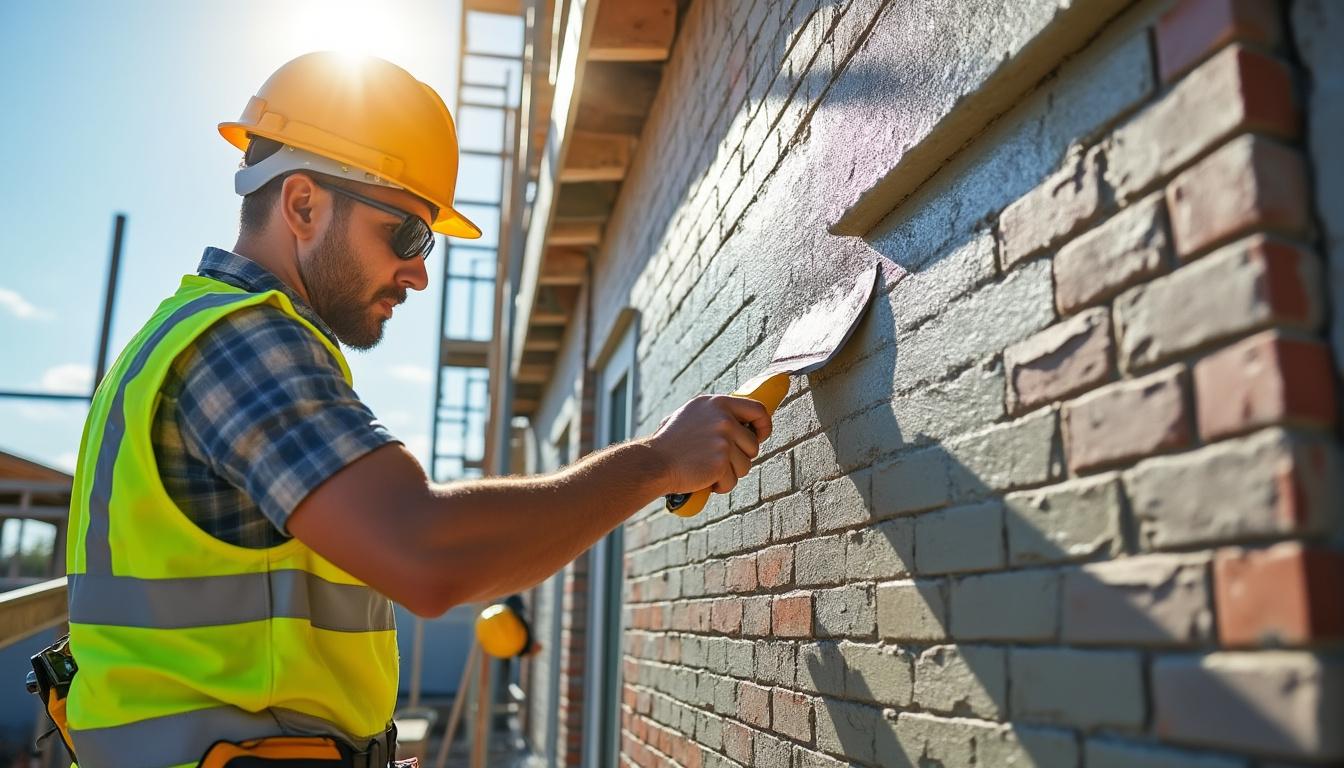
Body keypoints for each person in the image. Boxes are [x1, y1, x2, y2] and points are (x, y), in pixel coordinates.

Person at [60, 52, 769, 767]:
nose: (420, 272)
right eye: (405, 234)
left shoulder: (193, 333)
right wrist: (655, 462)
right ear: (302, 205)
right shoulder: (242, 343)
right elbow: (426, 552)